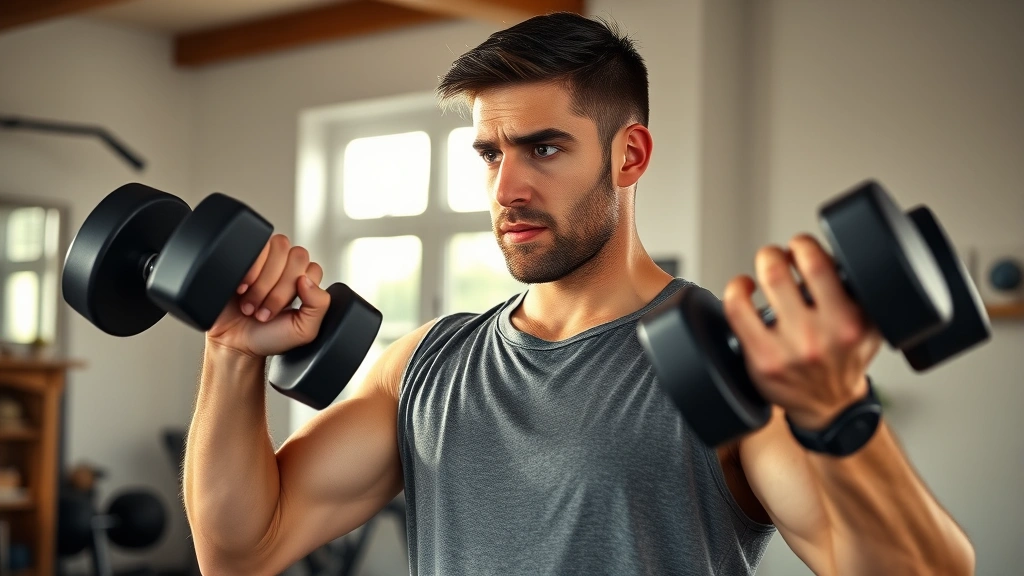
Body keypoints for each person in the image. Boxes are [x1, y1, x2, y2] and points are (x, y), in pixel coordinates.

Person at [183, 12, 975, 576]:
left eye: (545, 147)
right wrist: (230, 353)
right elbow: (240, 551)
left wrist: (837, 412)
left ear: (629, 155)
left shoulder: (734, 368)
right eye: (490, 154)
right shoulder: (426, 362)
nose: (508, 188)